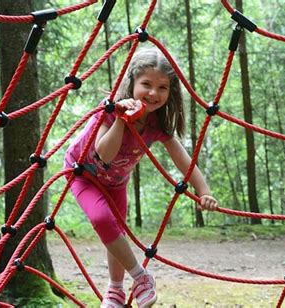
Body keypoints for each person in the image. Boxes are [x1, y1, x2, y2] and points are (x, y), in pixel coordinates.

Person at [64, 47, 218, 308]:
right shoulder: (111, 110)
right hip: (82, 174)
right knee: (102, 219)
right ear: (132, 82)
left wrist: (204, 190)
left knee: (117, 232)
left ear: (171, 92)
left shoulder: (157, 124)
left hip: (116, 184)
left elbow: (183, 160)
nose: (153, 93)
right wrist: (122, 120)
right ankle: (141, 277)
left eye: (162, 87)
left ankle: (115, 291)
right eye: (146, 84)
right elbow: (105, 154)